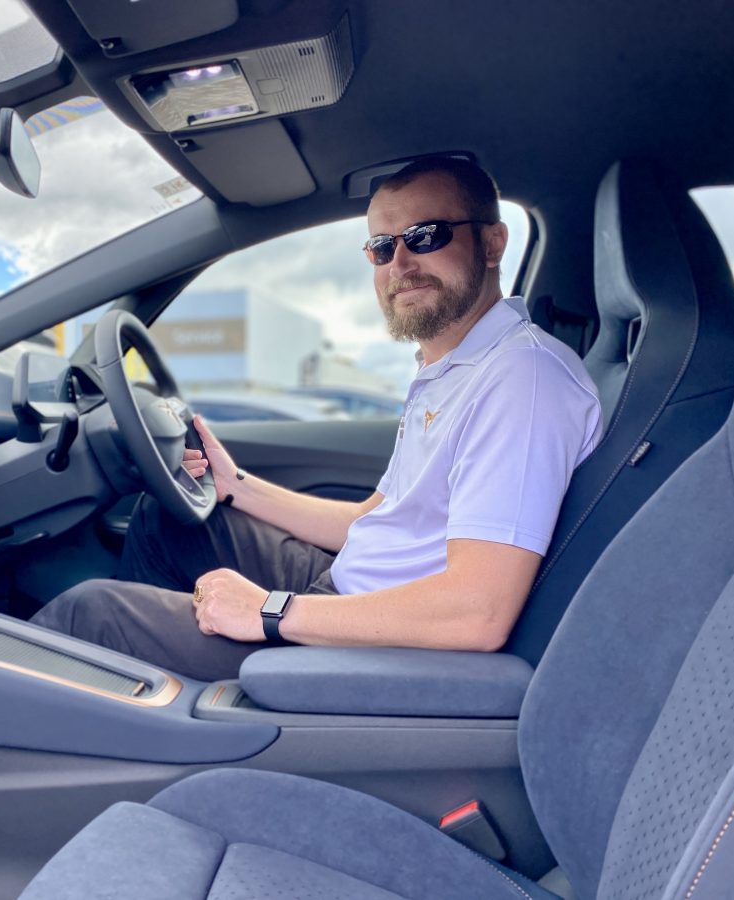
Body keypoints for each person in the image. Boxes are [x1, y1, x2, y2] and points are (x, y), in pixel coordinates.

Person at [30, 157, 602, 681]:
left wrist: (271, 613)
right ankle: (156, 713)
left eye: (425, 236)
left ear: (492, 244)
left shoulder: (522, 380)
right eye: (381, 246)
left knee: (92, 615)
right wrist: (237, 488)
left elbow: (477, 613)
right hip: (353, 592)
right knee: (168, 521)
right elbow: (371, 521)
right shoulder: (452, 368)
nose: (400, 262)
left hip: (381, 650)